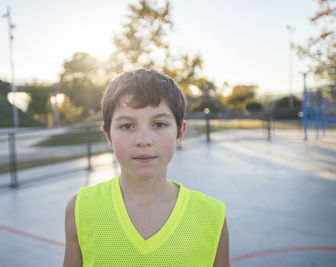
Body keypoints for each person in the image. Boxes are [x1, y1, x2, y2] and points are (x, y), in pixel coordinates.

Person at [63, 68, 229, 267]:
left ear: (180, 133)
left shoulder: (212, 216)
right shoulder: (80, 209)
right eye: (126, 126)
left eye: (159, 124)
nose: (143, 140)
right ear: (108, 135)